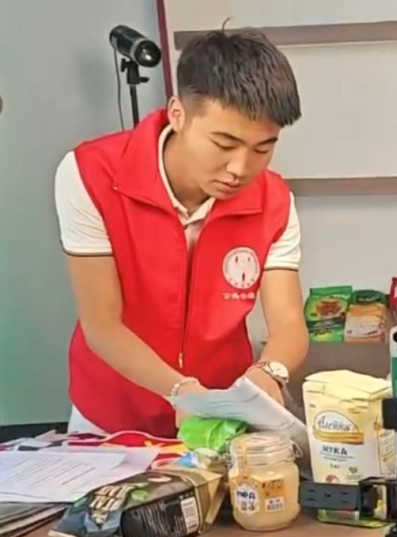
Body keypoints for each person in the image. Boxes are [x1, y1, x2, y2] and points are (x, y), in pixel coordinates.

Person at [56, 30, 308, 437]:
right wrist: (180, 390)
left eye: (263, 148)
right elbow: (102, 324)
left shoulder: (274, 201)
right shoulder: (91, 175)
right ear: (178, 114)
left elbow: (289, 322)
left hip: (220, 419)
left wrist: (269, 372)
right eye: (224, 143)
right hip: (110, 418)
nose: (240, 169)